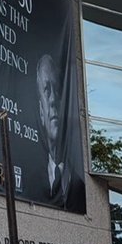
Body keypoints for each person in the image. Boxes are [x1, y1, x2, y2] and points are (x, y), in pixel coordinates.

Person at [36, 52, 86, 212]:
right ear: (41, 112)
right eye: (46, 90)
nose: (52, 99)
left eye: (57, 89)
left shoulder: (81, 186)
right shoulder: (32, 181)